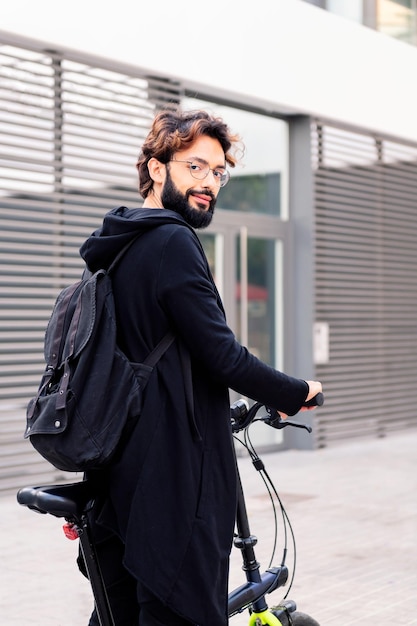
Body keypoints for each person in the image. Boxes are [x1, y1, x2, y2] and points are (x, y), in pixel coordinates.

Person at [79, 109, 322, 626]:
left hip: (114, 479)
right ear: (157, 168)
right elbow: (222, 354)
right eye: (195, 167)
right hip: (171, 483)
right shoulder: (172, 241)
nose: (209, 183)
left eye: (218, 172)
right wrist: (296, 389)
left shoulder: (116, 247)